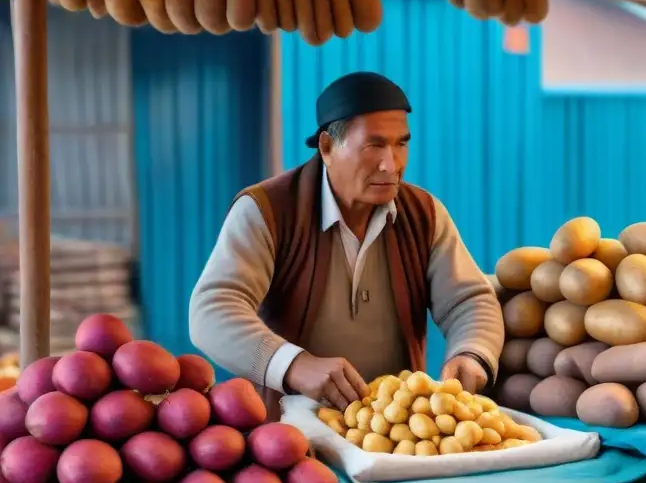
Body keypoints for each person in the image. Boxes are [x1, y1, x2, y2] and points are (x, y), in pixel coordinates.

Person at [189, 71, 504, 415]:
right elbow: (212, 309)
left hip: (393, 434)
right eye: (374, 145)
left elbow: (468, 299)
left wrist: (471, 354)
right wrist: (293, 364)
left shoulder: (423, 215)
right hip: (290, 435)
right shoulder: (267, 211)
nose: (392, 164)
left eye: (401, 144)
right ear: (327, 147)